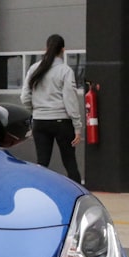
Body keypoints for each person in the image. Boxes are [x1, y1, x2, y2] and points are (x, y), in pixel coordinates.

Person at [20, 33, 83, 183]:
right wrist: (77, 127)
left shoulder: (34, 68)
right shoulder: (65, 70)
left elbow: (24, 97)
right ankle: (79, 195)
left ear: (46, 48)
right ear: (63, 50)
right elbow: (70, 100)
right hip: (62, 122)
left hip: (40, 121)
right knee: (69, 162)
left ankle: (38, 191)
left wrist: (35, 110)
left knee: (42, 163)